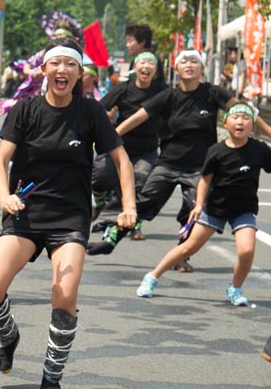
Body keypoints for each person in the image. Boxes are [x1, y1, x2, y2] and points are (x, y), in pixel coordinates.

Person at [0, 38, 136, 389]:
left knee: (64, 295)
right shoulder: (26, 109)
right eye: (55, 64)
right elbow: (0, 162)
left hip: (70, 216)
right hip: (26, 212)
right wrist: (4, 196)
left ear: (80, 73)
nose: (62, 70)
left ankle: (51, 375)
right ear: (44, 70)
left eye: (70, 65)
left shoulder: (90, 112)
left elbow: (122, 160)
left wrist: (129, 206)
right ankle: (8, 336)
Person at [88, 50, 271, 267]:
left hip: (200, 168)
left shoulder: (212, 93)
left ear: (202, 68)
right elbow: (138, 117)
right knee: (143, 203)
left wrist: (268, 132)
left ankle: (182, 255)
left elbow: (245, 111)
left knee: (193, 208)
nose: (189, 64)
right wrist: (112, 136)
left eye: (195, 61)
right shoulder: (169, 96)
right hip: (167, 164)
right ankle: (111, 240)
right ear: (176, 68)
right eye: (184, 60)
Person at [136, 102, 271, 306]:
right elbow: (205, 180)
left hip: (244, 208)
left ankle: (235, 288)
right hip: (216, 207)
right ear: (225, 122)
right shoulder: (216, 151)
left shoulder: (259, 149)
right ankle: (152, 277)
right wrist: (198, 204)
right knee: (188, 247)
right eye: (236, 117)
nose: (240, 122)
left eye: (246, 118)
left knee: (246, 251)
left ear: (252, 124)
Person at [91, 51, 167, 238]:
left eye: (151, 63)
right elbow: (99, 108)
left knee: (141, 179)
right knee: (100, 176)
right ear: (134, 68)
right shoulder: (123, 89)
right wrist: (106, 121)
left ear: (156, 70)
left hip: (147, 149)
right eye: (142, 62)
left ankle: (135, 224)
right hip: (119, 146)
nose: (146, 66)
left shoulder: (162, 92)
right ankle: (99, 200)